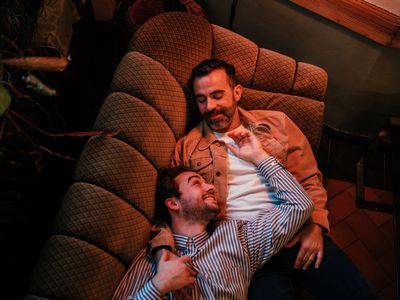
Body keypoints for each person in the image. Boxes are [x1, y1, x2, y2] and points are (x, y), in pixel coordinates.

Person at [150, 59, 377, 299]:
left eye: (217, 95)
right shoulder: (187, 147)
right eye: (201, 99)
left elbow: (309, 179)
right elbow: (172, 209)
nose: (210, 106)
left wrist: (315, 225)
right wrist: (162, 251)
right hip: (248, 257)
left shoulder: (277, 123)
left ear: (237, 92)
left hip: (297, 232)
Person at [112, 129, 314, 299]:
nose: (209, 186)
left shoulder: (237, 237)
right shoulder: (154, 260)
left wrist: (259, 157)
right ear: (173, 203)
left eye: (205, 181)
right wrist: (157, 287)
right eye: (196, 183)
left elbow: (300, 205)